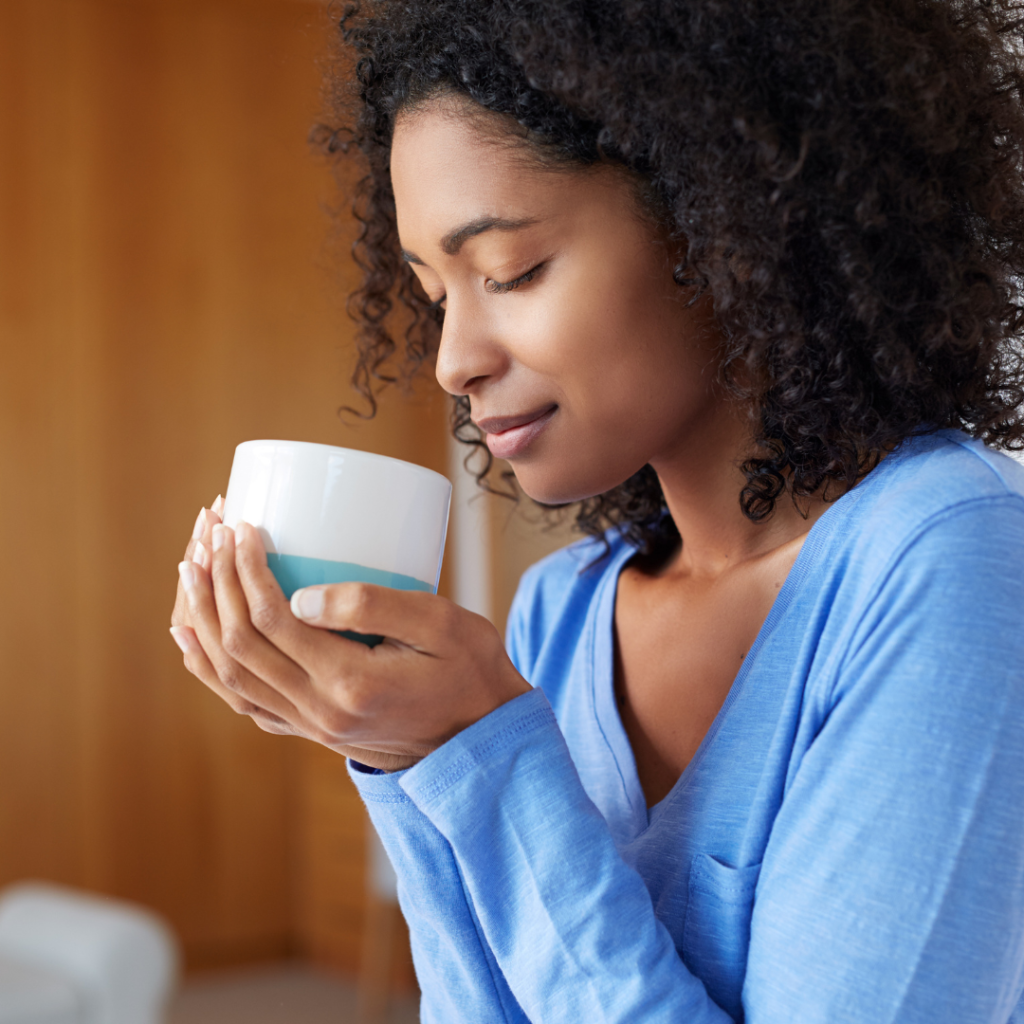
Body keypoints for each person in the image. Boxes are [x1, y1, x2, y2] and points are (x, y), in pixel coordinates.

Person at [169, 0, 1024, 1020]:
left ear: (723, 214)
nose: (451, 361)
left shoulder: (948, 561)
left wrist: (479, 754)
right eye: (437, 295)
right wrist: (410, 754)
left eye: (509, 271)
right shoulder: (560, 610)